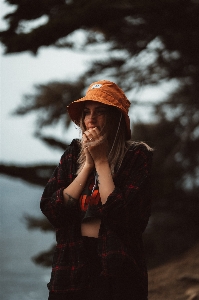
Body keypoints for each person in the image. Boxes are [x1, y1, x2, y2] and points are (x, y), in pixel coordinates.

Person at [40, 80, 153, 300]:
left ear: (116, 119)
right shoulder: (73, 155)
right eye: (86, 112)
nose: (91, 119)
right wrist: (88, 165)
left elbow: (125, 217)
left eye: (100, 112)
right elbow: (52, 210)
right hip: (71, 269)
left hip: (118, 274)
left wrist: (101, 161)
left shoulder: (136, 156)